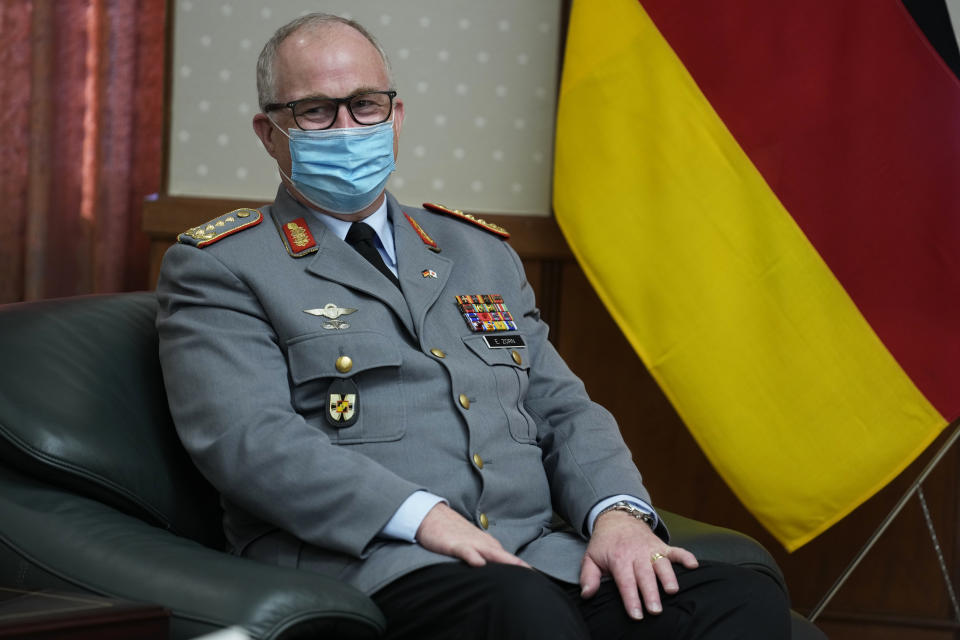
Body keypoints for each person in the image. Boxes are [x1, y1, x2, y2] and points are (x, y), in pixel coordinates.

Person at [156, 12, 790, 639]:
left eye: (366, 105)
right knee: (519, 612)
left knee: (736, 601)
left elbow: (562, 407)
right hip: (374, 561)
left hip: (538, 556)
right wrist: (425, 517)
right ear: (270, 133)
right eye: (316, 111)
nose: (347, 126)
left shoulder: (477, 252)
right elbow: (249, 440)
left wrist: (617, 513)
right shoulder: (223, 265)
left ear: (396, 118)